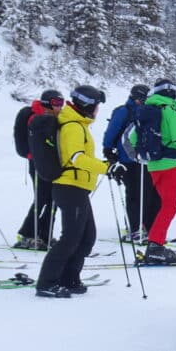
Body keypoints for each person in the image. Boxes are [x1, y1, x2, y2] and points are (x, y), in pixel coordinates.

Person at [36, 85, 115, 298]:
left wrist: (106, 165)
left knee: (87, 237)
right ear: (88, 105)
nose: (98, 110)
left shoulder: (79, 124)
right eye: (97, 105)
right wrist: (106, 167)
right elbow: (76, 158)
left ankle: (69, 278)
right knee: (70, 237)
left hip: (78, 188)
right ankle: (46, 282)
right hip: (69, 186)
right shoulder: (72, 126)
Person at [131, 78, 176, 264]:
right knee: (170, 206)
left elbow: (133, 138)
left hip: (154, 166)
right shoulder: (170, 111)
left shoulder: (148, 110)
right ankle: (155, 245)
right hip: (170, 164)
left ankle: (155, 242)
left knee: (167, 205)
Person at [102, 84, 159, 242]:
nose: (145, 102)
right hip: (126, 159)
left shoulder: (146, 111)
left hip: (143, 160)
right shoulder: (124, 111)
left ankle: (146, 227)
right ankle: (134, 228)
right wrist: (108, 149)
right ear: (137, 98)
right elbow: (111, 131)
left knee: (147, 193)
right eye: (143, 99)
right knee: (133, 194)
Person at [13, 89, 64, 250]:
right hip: (37, 163)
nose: (59, 107)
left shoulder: (55, 118)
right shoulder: (35, 117)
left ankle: (44, 235)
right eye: (56, 103)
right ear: (47, 103)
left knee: (53, 199)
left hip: (52, 164)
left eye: (61, 103)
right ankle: (27, 234)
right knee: (41, 198)